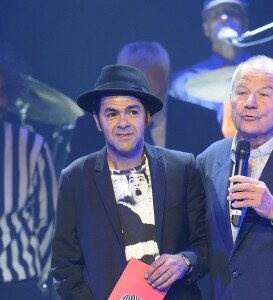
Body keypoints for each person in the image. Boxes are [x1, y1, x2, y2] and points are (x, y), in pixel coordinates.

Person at [51, 64, 209, 300]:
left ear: (147, 116)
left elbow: (206, 245)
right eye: (112, 113)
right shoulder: (75, 178)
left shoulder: (182, 167)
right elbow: (65, 267)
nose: (123, 122)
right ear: (97, 120)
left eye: (132, 112)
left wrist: (185, 261)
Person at [196, 55, 273, 300]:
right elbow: (200, 240)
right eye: (241, 92)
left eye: (264, 94)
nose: (250, 103)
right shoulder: (209, 159)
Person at [66, 41, 222, 164]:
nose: (146, 107)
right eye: (136, 97)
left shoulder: (202, 122)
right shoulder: (88, 128)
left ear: (168, 78)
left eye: (153, 97)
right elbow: (74, 190)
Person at [0, 44, 57, 299]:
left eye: (1, 91)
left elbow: (49, 221)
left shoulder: (31, 147)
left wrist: (42, 283)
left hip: (20, 283)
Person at [170, 0, 251, 138]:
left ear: (245, 23)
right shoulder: (181, 84)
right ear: (206, 28)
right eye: (216, 14)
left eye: (232, 12)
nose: (225, 18)